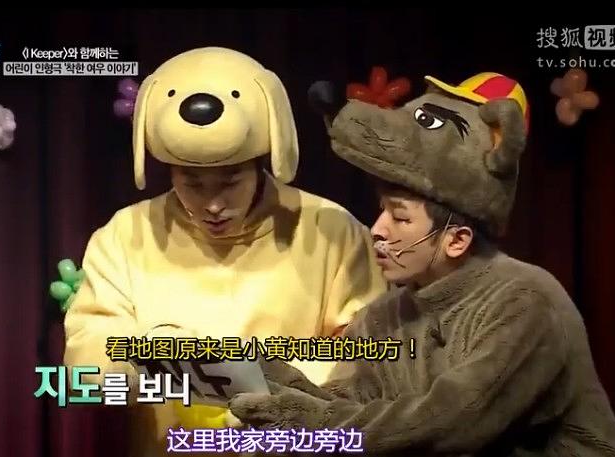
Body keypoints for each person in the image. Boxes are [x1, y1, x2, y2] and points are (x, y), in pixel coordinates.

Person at [229, 72, 615, 456]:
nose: (377, 230)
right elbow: (351, 404)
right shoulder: (382, 317)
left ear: (456, 240)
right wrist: (274, 382)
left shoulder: (526, 301)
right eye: (382, 212)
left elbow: (453, 422)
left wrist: (314, 423)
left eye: (400, 218)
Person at [63, 47, 387, 456]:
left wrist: (268, 393)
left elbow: (366, 352)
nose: (213, 204)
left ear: (260, 163)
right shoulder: (125, 235)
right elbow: (89, 358)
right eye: (193, 183)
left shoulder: (330, 229)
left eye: (231, 181)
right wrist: (158, 360)